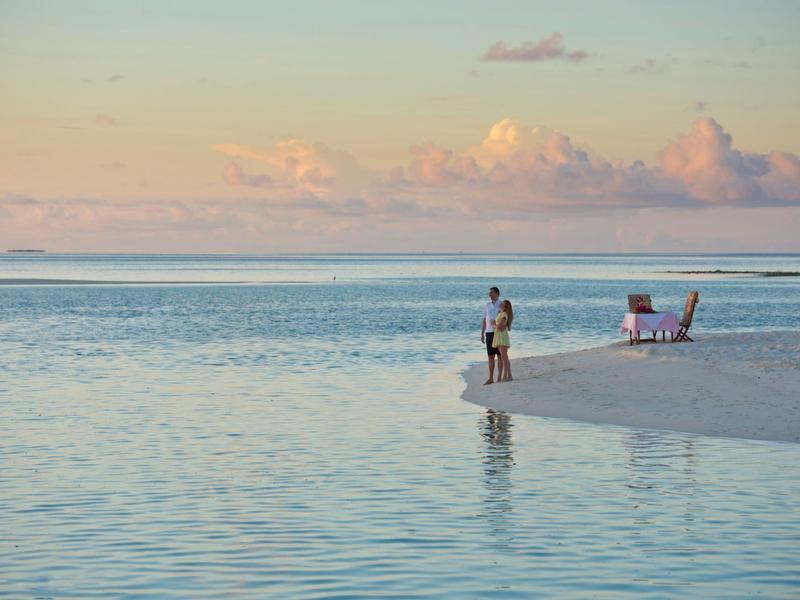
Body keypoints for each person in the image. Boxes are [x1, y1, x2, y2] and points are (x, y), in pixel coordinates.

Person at [480, 287, 502, 385]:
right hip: (489, 333)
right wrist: (482, 333)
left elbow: (505, 317)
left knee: (500, 355)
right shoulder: (487, 305)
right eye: (489, 293)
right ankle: (490, 378)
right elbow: (484, 319)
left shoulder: (502, 304)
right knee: (490, 356)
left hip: (498, 332)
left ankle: (499, 377)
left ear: (497, 293)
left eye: (491, 293)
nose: (489, 295)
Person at [492, 299, 513, 382]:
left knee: (504, 357)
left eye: (502, 304)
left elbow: (500, 327)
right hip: (499, 336)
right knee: (504, 357)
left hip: (502, 336)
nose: (500, 304)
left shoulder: (504, 314)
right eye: (501, 303)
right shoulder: (500, 313)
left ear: (505, 306)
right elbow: (500, 327)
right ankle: (509, 375)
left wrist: (494, 323)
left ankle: (506, 376)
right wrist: (496, 325)